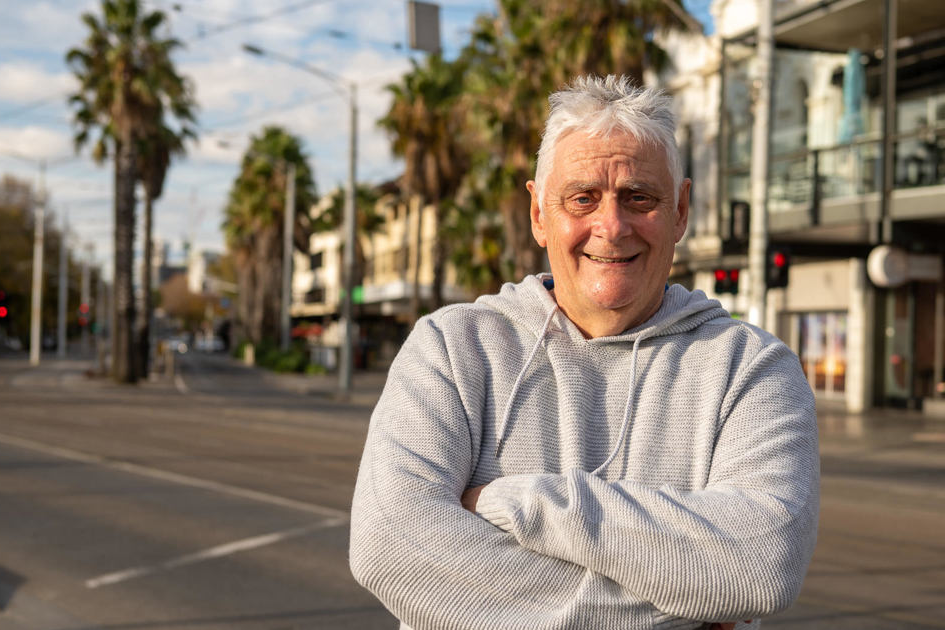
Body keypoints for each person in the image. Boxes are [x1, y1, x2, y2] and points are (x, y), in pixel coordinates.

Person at [349, 75, 818, 630]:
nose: (611, 227)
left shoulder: (753, 369)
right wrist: (689, 606)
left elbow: (761, 566)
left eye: (639, 198)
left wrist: (518, 502)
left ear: (680, 211)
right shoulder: (451, 348)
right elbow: (391, 547)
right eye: (582, 198)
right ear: (538, 214)